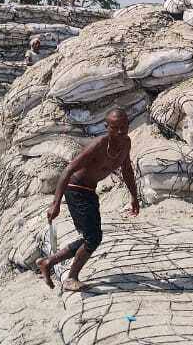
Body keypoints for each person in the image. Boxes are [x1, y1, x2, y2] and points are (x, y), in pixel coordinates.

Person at [37, 109, 140, 292]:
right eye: (115, 128)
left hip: (89, 191)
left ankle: (48, 262)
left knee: (91, 237)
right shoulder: (99, 144)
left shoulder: (126, 143)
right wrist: (56, 203)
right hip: (75, 189)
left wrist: (134, 196)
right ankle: (71, 278)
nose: (120, 132)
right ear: (106, 127)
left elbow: (127, 170)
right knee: (93, 238)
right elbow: (68, 170)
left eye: (123, 127)